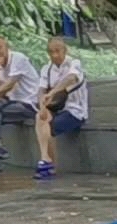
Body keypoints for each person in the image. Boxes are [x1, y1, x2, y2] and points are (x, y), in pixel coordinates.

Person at [0, 36, 41, 174]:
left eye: (0, 47)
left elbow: (10, 84)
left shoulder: (18, 59)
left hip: (30, 104)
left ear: (6, 47)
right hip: (12, 104)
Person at [33, 37, 88, 181]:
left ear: (64, 50)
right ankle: (45, 158)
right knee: (40, 117)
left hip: (75, 111)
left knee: (49, 128)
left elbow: (71, 79)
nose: (55, 55)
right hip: (56, 107)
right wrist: (42, 105)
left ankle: (50, 164)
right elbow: (41, 89)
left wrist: (52, 93)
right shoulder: (47, 68)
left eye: (57, 51)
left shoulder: (74, 64)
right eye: (51, 52)